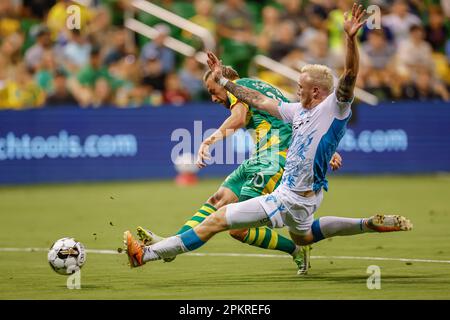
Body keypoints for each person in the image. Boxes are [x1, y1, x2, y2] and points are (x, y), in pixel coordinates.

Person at [124, 4, 412, 275]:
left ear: (316, 92)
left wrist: (350, 39)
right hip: (291, 185)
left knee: (223, 221)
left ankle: (154, 253)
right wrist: (224, 82)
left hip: (281, 179)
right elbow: (262, 103)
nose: (295, 90)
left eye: (301, 87)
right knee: (299, 230)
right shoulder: (297, 109)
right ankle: (364, 224)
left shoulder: (334, 107)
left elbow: (349, 76)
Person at [135, 64, 343, 274]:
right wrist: (327, 151)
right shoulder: (258, 86)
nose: (214, 98)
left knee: (238, 230)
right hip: (259, 159)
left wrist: (208, 141)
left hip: (272, 160)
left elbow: (239, 119)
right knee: (218, 199)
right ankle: (170, 245)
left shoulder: (240, 86)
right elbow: (300, 122)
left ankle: (296, 248)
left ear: (224, 82)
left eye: (213, 91)